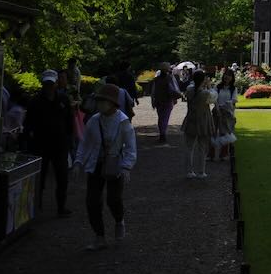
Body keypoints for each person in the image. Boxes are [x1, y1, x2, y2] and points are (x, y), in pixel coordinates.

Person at [72, 83, 137, 251]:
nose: (100, 104)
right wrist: (78, 162)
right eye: (99, 101)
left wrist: (126, 167)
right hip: (96, 164)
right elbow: (85, 143)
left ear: (112, 103)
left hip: (115, 164)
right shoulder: (94, 120)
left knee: (113, 199)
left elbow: (130, 147)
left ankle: (119, 220)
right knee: (92, 201)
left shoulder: (123, 122)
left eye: (103, 101)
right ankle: (99, 236)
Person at [24, 70, 74, 217]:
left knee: (62, 178)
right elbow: (28, 124)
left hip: (60, 145)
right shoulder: (35, 101)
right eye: (46, 84)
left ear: (56, 83)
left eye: (51, 83)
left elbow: (69, 121)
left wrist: (69, 140)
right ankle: (35, 207)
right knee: (39, 179)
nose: (49, 86)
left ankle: (61, 207)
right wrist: (29, 142)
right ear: (43, 84)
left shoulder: (63, 99)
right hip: (40, 145)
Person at [182, 70, 216, 179]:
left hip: (191, 119)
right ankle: (201, 172)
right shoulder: (206, 93)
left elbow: (192, 88)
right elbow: (214, 98)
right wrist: (209, 86)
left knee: (189, 147)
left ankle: (189, 171)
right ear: (203, 80)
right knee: (202, 147)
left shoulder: (189, 89)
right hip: (203, 120)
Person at [211, 69, 239, 162]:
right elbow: (214, 99)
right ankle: (210, 154)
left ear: (232, 78)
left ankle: (224, 154)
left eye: (229, 76)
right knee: (213, 132)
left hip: (227, 113)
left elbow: (234, 99)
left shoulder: (233, 89)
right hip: (217, 111)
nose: (227, 77)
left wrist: (229, 103)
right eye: (226, 75)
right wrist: (218, 108)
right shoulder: (218, 87)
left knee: (225, 133)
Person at [151, 62, 181, 143]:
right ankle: (163, 134)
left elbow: (153, 92)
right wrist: (176, 97)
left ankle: (162, 133)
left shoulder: (156, 79)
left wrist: (152, 101)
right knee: (165, 117)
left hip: (158, 101)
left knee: (161, 117)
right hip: (167, 100)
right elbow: (174, 89)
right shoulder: (170, 78)